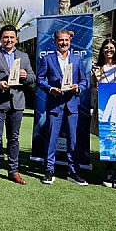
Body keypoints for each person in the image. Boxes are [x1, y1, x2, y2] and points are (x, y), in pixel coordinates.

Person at [0, 24, 35, 187]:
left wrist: (25, 76)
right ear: (1, 38)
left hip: (17, 103)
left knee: (14, 138)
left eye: (11, 37)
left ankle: (13, 171)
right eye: (6, 37)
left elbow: (33, 77)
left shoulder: (23, 57)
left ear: (16, 39)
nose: (9, 40)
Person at [37, 29, 88, 186]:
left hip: (72, 104)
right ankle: (49, 170)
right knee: (51, 138)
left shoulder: (77, 59)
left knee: (73, 139)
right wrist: (50, 89)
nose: (64, 43)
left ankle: (74, 171)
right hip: (55, 103)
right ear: (55, 42)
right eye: (60, 40)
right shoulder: (47, 59)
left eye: (66, 40)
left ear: (70, 42)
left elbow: (84, 80)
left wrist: (78, 88)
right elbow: (40, 79)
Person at [91, 38, 116, 189]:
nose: (109, 50)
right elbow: (91, 88)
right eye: (106, 47)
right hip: (104, 109)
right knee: (107, 141)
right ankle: (109, 172)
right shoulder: (96, 69)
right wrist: (97, 90)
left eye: (112, 47)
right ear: (102, 50)